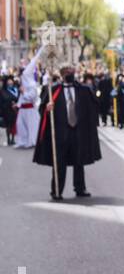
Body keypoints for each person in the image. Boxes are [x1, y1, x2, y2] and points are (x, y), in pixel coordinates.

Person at [33, 64, 101, 200]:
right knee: (59, 163)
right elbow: (42, 109)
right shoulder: (53, 91)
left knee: (79, 161)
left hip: (78, 131)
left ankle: (80, 188)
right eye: (66, 72)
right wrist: (47, 108)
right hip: (60, 133)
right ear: (62, 75)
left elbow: (92, 109)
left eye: (71, 71)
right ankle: (57, 190)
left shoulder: (83, 90)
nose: (69, 74)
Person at [14, 46, 47, 149]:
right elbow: (21, 98)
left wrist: (24, 92)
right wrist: (18, 105)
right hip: (23, 109)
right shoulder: (24, 84)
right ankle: (22, 141)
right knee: (21, 126)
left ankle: (32, 141)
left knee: (31, 126)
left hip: (30, 110)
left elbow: (31, 97)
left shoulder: (32, 85)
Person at [0, 72, 17, 145]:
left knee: (13, 125)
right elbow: (2, 101)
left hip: (15, 110)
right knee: (8, 125)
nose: (10, 83)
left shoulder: (16, 90)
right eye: (8, 82)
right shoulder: (3, 91)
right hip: (7, 110)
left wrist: (16, 104)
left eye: (11, 81)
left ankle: (13, 139)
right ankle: (8, 139)